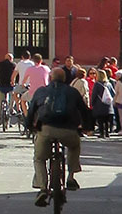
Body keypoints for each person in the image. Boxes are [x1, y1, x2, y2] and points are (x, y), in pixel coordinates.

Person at [26, 67, 92, 206]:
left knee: (39, 158)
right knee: (74, 146)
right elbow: (85, 111)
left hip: (46, 129)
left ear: (50, 78)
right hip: (68, 130)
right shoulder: (72, 92)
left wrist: (30, 127)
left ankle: (43, 188)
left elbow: (32, 111)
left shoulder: (41, 91)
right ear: (64, 79)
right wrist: (87, 128)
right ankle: (70, 177)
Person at [0, 52, 19, 117]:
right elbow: (16, 75)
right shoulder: (14, 65)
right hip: (10, 86)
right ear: (11, 58)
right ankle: (11, 109)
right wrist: (16, 82)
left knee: (0, 100)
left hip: (1, 85)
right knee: (13, 97)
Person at [92, 69, 114, 138]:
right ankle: (107, 133)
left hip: (99, 105)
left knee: (100, 120)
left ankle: (102, 133)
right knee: (107, 120)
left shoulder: (97, 84)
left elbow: (94, 95)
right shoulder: (109, 84)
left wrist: (92, 103)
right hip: (108, 105)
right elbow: (113, 93)